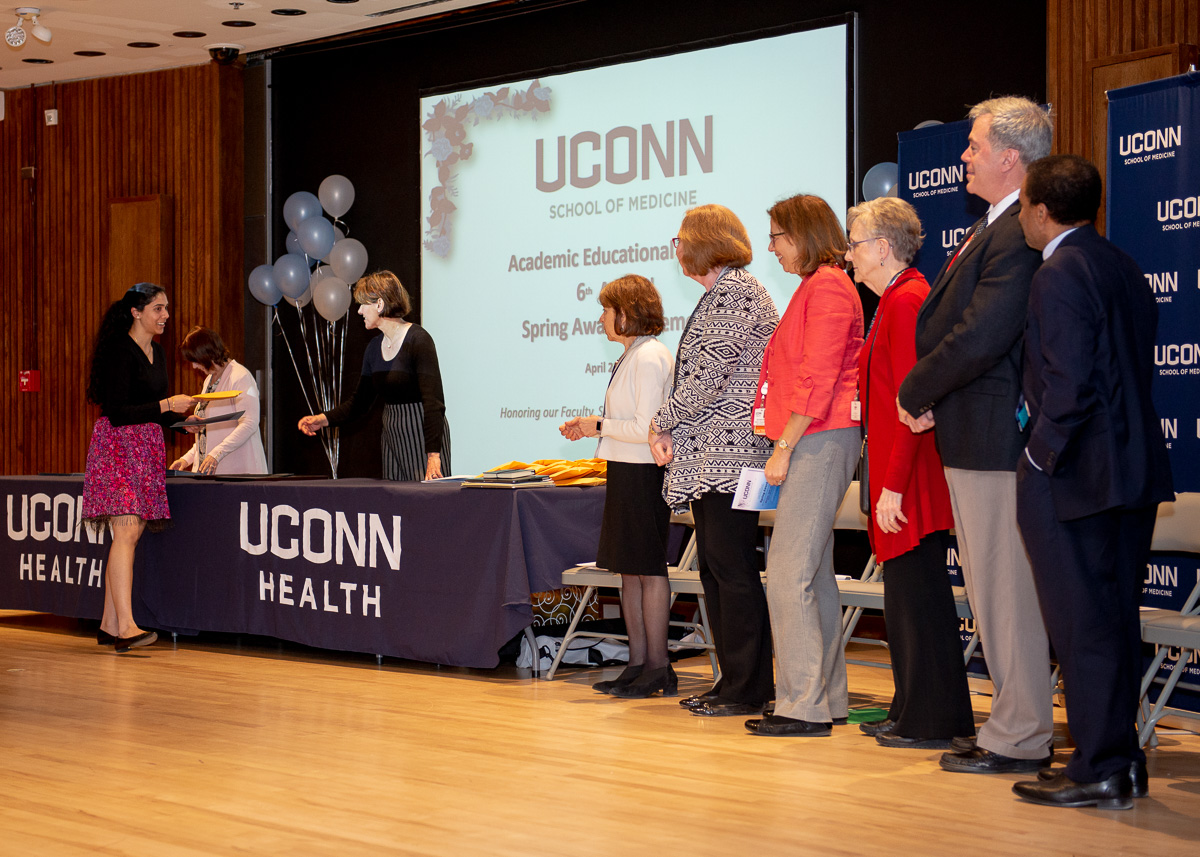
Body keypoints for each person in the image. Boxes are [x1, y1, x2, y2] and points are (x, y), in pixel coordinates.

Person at [896, 96, 1055, 774]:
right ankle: (1007, 721)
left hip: (992, 436)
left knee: (1005, 592)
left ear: (1010, 158)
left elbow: (983, 335)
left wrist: (917, 388)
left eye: (973, 145)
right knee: (991, 592)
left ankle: (1019, 734)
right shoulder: (995, 224)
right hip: (971, 429)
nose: (962, 156)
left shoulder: (1017, 232)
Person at [1010, 155, 1174, 809]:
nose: (1020, 215)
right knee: (1110, 619)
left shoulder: (1058, 271)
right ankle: (1116, 758)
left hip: (1077, 477)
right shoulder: (1122, 264)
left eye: (1023, 205)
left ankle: (1099, 763)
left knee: (1082, 625)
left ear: (1042, 210)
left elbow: (1069, 382)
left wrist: (1040, 458)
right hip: (1129, 473)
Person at [844, 197, 975, 748]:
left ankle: (934, 719)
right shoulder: (896, 299)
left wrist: (891, 485)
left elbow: (910, 408)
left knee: (919, 601)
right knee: (906, 600)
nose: (848, 256)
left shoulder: (906, 302)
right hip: (901, 476)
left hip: (911, 479)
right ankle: (910, 708)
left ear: (881, 248)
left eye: (853, 245)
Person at [649, 203, 779, 717]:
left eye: (680, 240)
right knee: (720, 572)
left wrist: (660, 421)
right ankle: (734, 683)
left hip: (732, 460)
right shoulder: (724, 294)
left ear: (704, 242)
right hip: (718, 460)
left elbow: (704, 382)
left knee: (732, 571)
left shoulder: (735, 295)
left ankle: (748, 687)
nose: (676, 249)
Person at [741, 194, 863, 737]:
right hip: (815, 434)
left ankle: (801, 703)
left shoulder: (830, 287)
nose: (770, 248)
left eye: (777, 237)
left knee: (788, 574)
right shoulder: (816, 287)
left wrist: (784, 445)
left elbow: (817, 376)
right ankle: (825, 697)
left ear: (805, 234)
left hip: (819, 436)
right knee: (812, 573)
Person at [559, 275, 676, 698]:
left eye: (607, 310)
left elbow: (647, 426)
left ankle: (659, 667)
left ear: (628, 312)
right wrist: (595, 428)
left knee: (646, 569)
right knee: (629, 572)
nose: (602, 318)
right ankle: (638, 663)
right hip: (626, 469)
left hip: (645, 472)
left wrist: (598, 426)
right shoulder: (633, 355)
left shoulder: (650, 357)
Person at [82, 283, 194, 654]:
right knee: (127, 533)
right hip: (117, 448)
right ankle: (126, 627)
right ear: (136, 312)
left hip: (146, 448)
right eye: (158, 309)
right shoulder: (119, 352)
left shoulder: (158, 354)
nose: (165, 316)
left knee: (129, 532)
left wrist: (179, 422)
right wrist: (166, 405)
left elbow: (148, 409)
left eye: (166, 309)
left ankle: (109, 623)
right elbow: (117, 413)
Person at [298, 270, 451, 481]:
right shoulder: (373, 348)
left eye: (363, 304)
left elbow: (433, 402)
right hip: (392, 435)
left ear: (380, 304)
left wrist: (433, 455)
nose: (359, 311)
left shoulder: (419, 340)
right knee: (395, 506)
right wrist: (323, 419)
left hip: (422, 433)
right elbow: (360, 402)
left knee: (427, 505)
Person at [169, 326, 268, 475]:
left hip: (238, 472)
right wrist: (187, 459)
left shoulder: (241, 376)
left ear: (207, 354)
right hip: (212, 473)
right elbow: (209, 433)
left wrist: (217, 453)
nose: (194, 366)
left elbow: (250, 423)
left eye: (196, 360)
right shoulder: (209, 380)